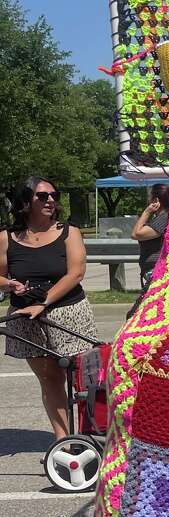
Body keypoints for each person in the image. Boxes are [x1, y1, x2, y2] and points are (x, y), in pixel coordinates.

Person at [0, 176, 99, 441]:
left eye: (54, 195)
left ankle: (92, 435)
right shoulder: (6, 237)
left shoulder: (70, 232)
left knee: (83, 381)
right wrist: (10, 284)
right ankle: (63, 442)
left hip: (68, 313)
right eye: (43, 196)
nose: (51, 200)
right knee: (50, 380)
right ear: (25, 201)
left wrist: (42, 303)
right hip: (25, 318)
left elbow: (75, 273)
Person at [130, 184, 169, 289]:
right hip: (156, 268)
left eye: (149, 197)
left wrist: (147, 212)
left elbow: (136, 234)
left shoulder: (163, 219)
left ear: (156, 200)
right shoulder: (163, 217)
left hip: (155, 269)